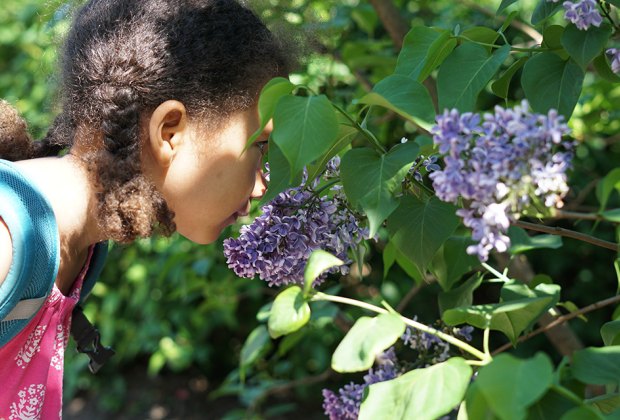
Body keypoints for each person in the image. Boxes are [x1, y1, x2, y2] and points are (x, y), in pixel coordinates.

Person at [0, 0, 290, 416]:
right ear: (169, 132)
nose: (264, 183)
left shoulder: (81, 246)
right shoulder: (11, 240)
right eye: (259, 146)